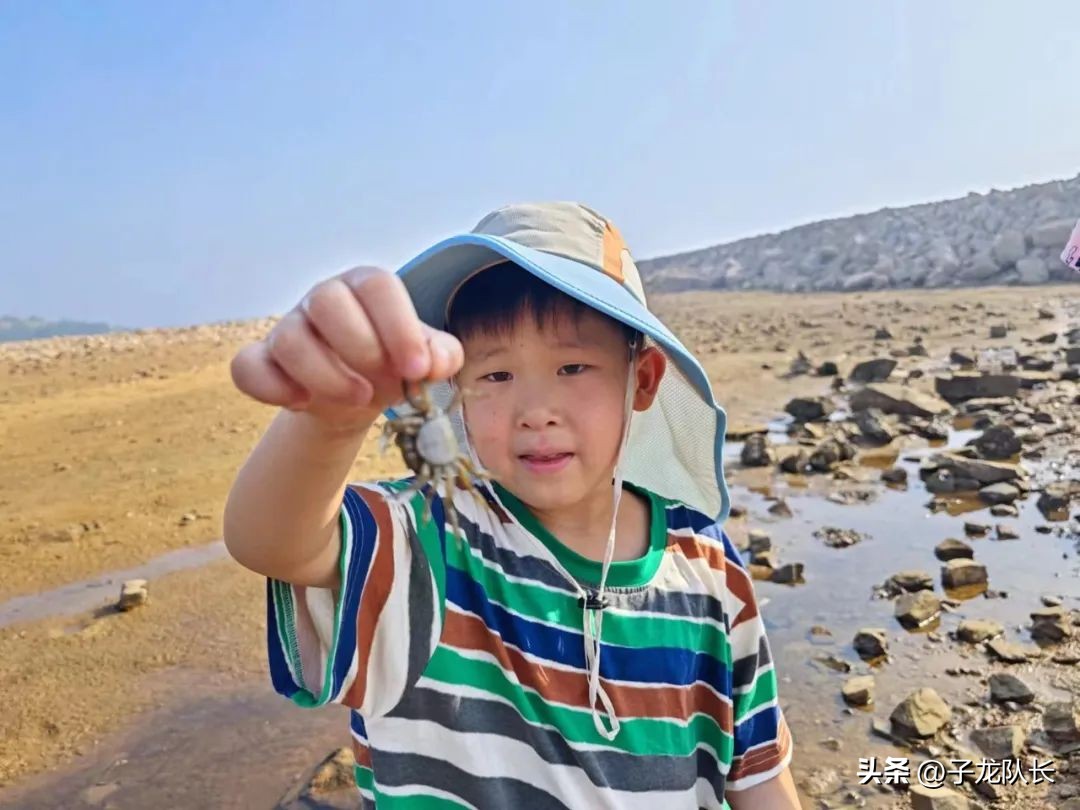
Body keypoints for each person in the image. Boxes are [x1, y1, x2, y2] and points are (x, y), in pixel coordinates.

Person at [224, 202, 800, 809]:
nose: (535, 411)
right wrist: (330, 419)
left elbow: (757, 772)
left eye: (573, 366)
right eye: (495, 376)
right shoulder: (428, 545)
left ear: (645, 379)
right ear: (457, 391)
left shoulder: (710, 567)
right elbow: (275, 542)